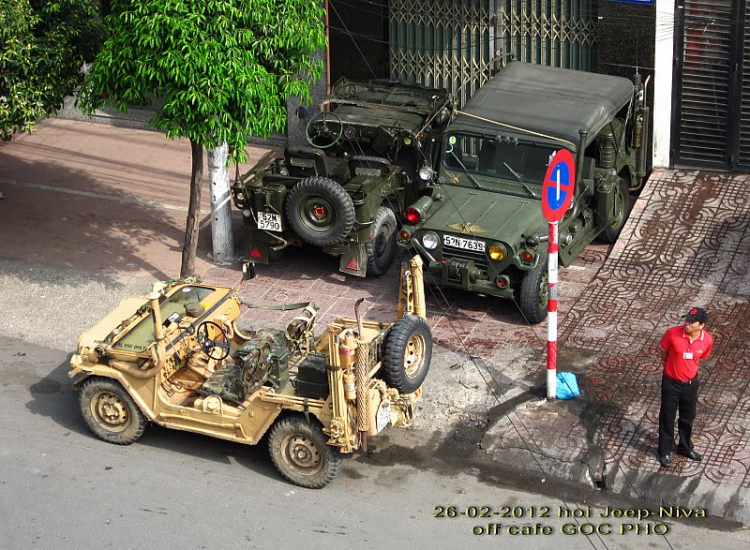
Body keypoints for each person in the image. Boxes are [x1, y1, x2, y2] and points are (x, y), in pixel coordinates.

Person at [657, 307, 713, 467]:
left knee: (688, 417)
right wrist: (666, 365)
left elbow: (702, 355)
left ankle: (685, 447)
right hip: (671, 383)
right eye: (686, 320)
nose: (686, 323)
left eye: (691, 322)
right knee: (667, 417)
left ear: (701, 325)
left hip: (690, 384)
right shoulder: (672, 333)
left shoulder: (707, 340)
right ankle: (665, 451)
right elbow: (663, 351)